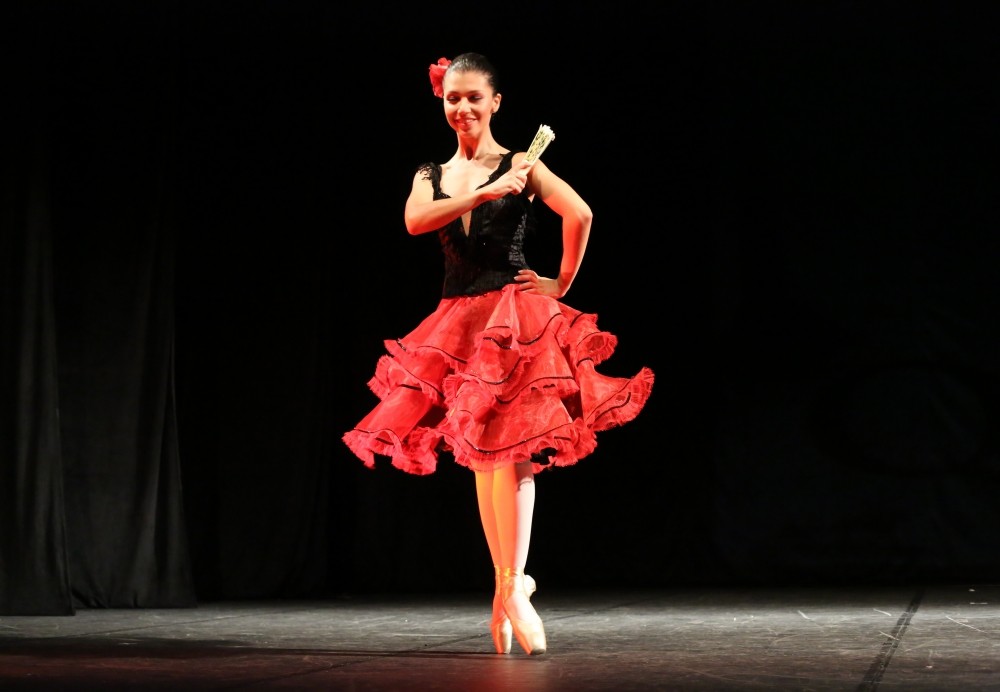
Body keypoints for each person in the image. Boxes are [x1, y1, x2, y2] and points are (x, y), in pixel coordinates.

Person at [343, 52, 654, 656]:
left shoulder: (522, 164)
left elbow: (581, 212)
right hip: (458, 323)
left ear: (495, 103)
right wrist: (485, 190)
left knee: (512, 454)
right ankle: (507, 585)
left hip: (513, 319)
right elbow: (414, 221)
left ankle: (513, 588)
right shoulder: (432, 173)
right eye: (451, 97)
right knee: (486, 458)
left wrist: (560, 284)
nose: (461, 107)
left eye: (472, 97)